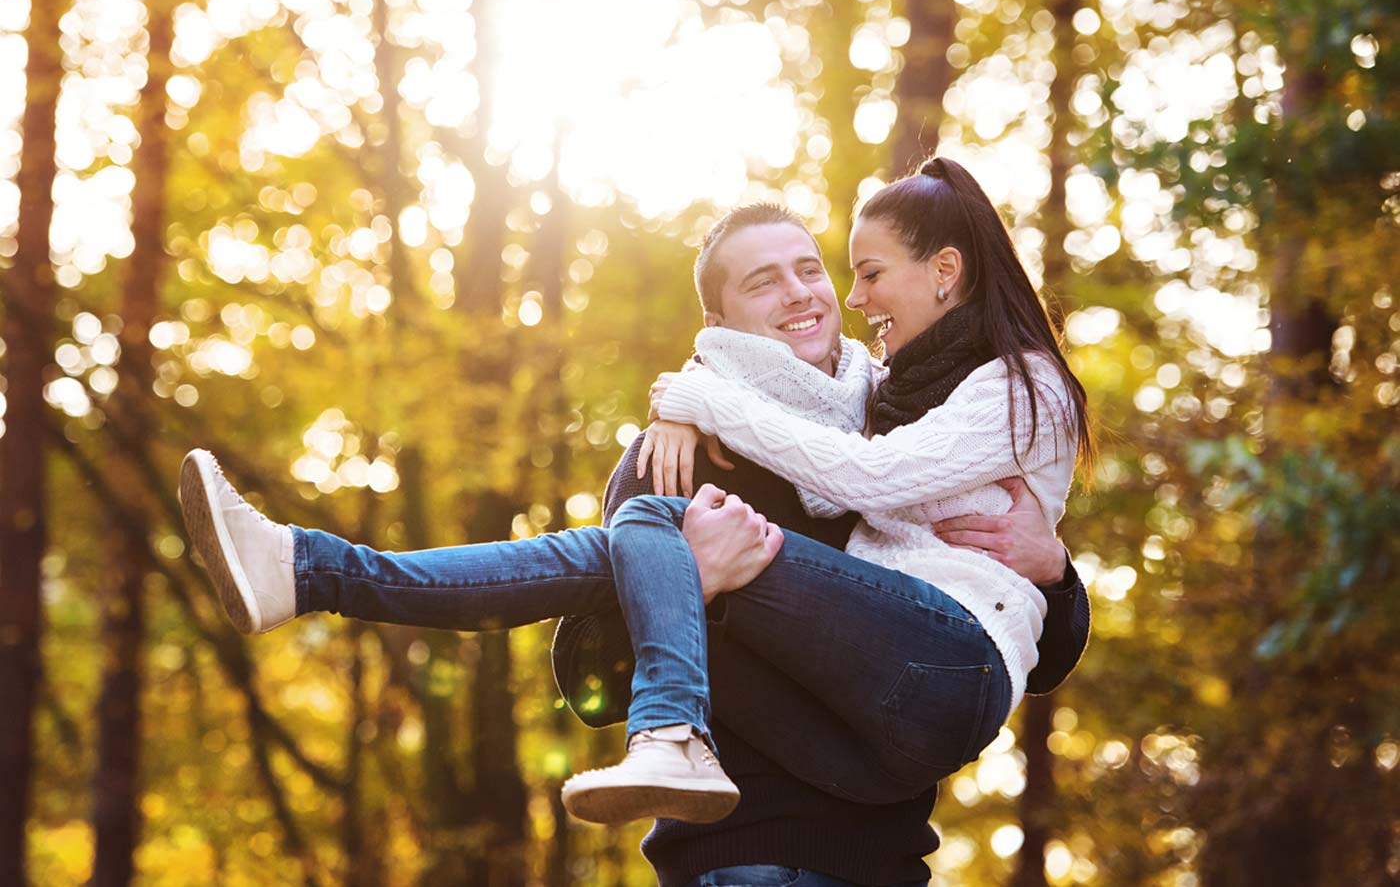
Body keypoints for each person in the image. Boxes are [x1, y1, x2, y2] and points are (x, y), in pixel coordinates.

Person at [178, 157, 1091, 883]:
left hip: (882, 839)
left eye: (819, 269)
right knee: (643, 529)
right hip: (744, 848)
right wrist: (688, 580)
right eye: (765, 283)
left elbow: (1012, 625)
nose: (816, 295)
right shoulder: (677, 453)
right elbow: (592, 671)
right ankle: (309, 570)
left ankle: (309, 571)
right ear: (717, 320)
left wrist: (1056, 572)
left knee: (649, 529)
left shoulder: (897, 407)